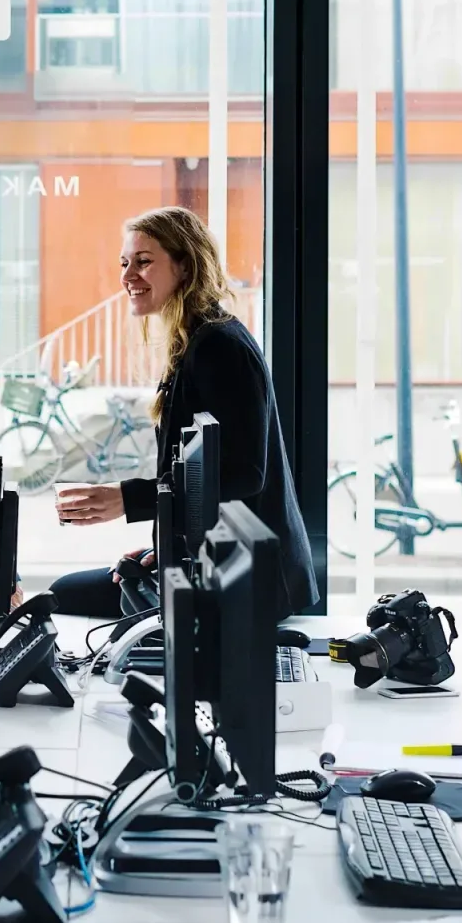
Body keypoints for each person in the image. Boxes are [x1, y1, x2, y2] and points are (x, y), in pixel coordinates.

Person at [52, 206, 317, 620]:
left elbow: (245, 474)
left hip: (248, 578)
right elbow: (202, 470)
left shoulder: (218, 347)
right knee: (67, 594)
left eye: (143, 262)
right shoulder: (197, 339)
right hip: (211, 560)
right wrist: (167, 546)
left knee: (62, 596)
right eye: (125, 263)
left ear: (185, 266)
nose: (127, 277)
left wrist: (127, 499)